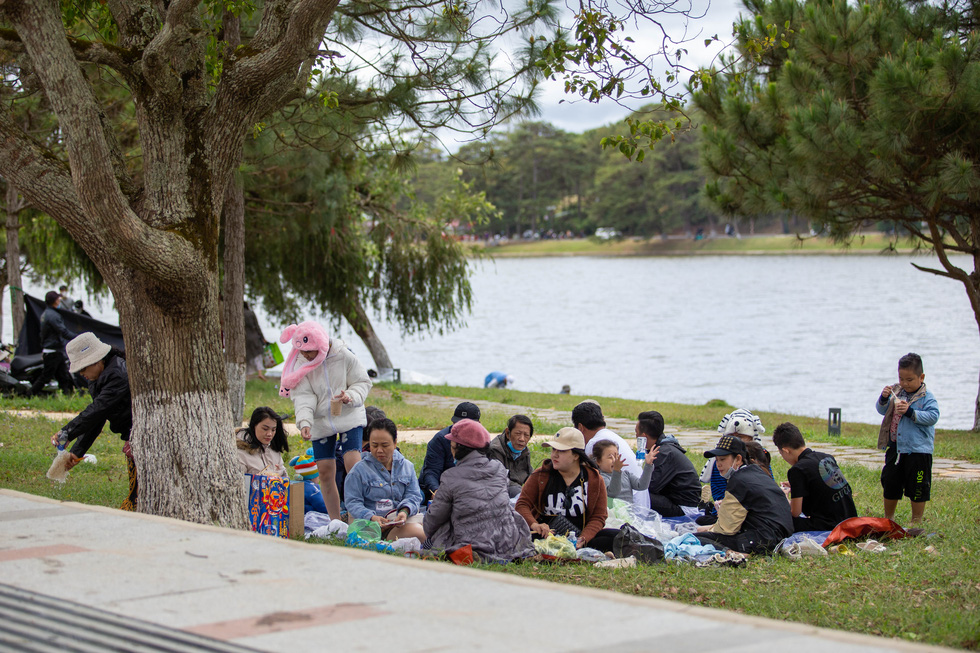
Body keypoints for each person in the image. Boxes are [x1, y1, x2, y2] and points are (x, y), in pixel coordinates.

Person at [279, 321, 372, 522]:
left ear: (321, 344)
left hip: (349, 415)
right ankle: (335, 521)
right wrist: (305, 422)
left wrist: (350, 396)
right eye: (301, 351)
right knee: (324, 471)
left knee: (353, 464)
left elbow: (363, 381)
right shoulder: (301, 362)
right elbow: (303, 396)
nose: (306, 356)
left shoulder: (343, 355)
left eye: (310, 351)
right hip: (320, 420)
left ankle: (359, 518)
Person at [423, 419, 534, 562]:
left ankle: (477, 554)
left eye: (452, 446)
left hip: (472, 544)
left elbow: (432, 523)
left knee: (435, 536)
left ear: (459, 448)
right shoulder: (499, 469)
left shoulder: (450, 477)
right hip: (508, 541)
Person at [50, 333, 136, 510]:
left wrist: (67, 432)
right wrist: (77, 451)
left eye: (83, 369)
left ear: (97, 360)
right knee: (137, 491)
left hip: (140, 434)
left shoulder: (118, 374)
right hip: (132, 436)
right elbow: (97, 417)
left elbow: (98, 409)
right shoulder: (99, 376)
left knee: (138, 494)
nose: (82, 374)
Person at [516, 427, 618, 551]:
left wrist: (583, 539)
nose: (555, 455)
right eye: (553, 449)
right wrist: (535, 525)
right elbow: (522, 504)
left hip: (578, 536)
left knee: (614, 537)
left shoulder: (594, 480)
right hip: (545, 536)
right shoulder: (541, 475)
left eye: (561, 451)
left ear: (576, 455)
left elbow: (599, 516)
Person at [694, 435, 793, 554]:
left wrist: (704, 530)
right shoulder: (757, 471)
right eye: (717, 460)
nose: (718, 464)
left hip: (764, 540)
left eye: (723, 459)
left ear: (738, 459)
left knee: (696, 538)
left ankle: (736, 554)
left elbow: (726, 529)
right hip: (781, 535)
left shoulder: (738, 480)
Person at [875, 352, 939, 524]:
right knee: (890, 482)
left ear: (921, 377)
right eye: (901, 379)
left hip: (918, 451)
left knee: (918, 485)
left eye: (909, 380)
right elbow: (882, 410)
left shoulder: (927, 397)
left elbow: (933, 416)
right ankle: (889, 519)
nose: (904, 383)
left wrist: (911, 412)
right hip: (896, 448)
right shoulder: (897, 392)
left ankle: (916, 520)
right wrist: (884, 398)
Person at [343, 418, 425, 541]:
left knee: (430, 528)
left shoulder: (407, 467)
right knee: (420, 534)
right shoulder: (359, 470)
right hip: (373, 528)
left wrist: (404, 511)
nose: (379, 450)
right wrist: (371, 517)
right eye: (374, 445)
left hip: (401, 522)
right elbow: (352, 502)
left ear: (395, 442)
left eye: (385, 445)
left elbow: (413, 495)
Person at [772, 422, 857, 532]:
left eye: (781, 453)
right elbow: (824, 488)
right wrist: (798, 488)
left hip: (831, 525)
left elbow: (795, 512)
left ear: (785, 450)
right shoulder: (826, 457)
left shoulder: (797, 470)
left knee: (780, 519)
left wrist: (784, 497)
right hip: (850, 518)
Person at [573, 401, 648, 508]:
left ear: (580, 427)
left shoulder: (594, 444)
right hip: (641, 502)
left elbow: (589, 479)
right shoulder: (611, 436)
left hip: (625, 506)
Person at [700, 409, 770, 506]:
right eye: (731, 436)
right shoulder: (720, 461)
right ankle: (705, 505)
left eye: (740, 437)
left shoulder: (760, 455)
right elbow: (719, 494)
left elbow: (769, 487)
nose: (736, 441)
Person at [639, 410, 701, 517]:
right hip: (675, 499)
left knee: (639, 495)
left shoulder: (663, 453)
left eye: (636, 433)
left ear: (644, 437)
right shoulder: (664, 448)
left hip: (683, 508)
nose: (636, 436)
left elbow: (650, 487)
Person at [419, 401, 480, 501]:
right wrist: (436, 490)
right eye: (457, 424)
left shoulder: (482, 442)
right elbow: (431, 471)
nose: (460, 429)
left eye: (466, 426)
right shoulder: (440, 439)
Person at [32, 290, 77, 396]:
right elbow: (63, 332)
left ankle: (68, 396)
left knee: (63, 376)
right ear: (54, 301)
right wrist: (79, 338)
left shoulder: (46, 314)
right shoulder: (53, 316)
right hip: (53, 352)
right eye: (58, 299)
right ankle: (30, 394)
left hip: (55, 351)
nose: (59, 301)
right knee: (46, 377)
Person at [592, 439, 658, 504]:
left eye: (617, 455)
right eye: (610, 457)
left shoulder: (626, 474)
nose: (615, 460)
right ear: (598, 461)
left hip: (628, 513)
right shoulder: (600, 478)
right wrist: (616, 471)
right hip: (612, 513)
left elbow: (641, 485)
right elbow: (613, 493)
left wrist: (648, 465)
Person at [486, 414, 534, 498]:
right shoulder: (495, 450)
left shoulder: (524, 451)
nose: (522, 439)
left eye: (526, 435)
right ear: (508, 433)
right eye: (518, 433)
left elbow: (530, 474)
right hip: (499, 492)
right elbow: (500, 480)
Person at [236, 406, 289, 478]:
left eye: (273, 430)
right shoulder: (240, 452)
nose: (269, 434)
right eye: (265, 429)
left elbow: (285, 480)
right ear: (254, 426)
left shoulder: (273, 450)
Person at [243, 301, 268, 380]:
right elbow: (257, 326)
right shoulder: (251, 313)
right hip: (254, 337)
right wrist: (262, 337)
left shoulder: (239, 315)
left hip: (245, 338)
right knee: (258, 355)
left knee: (247, 357)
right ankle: (260, 373)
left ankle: (247, 377)